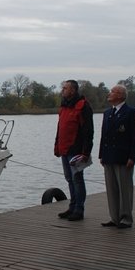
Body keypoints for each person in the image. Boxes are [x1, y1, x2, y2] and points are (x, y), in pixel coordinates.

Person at [99, 84, 135, 229]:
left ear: (120, 95)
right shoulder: (107, 113)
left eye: (112, 92)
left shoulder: (131, 112)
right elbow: (104, 135)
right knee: (111, 188)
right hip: (108, 155)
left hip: (123, 156)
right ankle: (114, 217)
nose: (109, 94)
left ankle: (126, 218)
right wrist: (101, 155)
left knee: (125, 188)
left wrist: (133, 156)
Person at [54, 80, 94, 221]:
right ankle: (72, 206)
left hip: (76, 150)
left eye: (65, 88)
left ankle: (79, 209)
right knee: (69, 179)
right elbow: (60, 128)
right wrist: (56, 146)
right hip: (64, 148)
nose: (62, 90)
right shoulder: (64, 106)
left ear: (73, 90)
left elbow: (88, 131)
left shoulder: (83, 106)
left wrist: (86, 152)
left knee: (77, 179)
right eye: (63, 88)